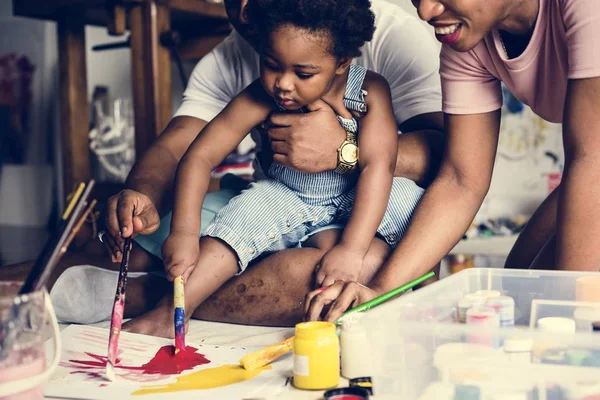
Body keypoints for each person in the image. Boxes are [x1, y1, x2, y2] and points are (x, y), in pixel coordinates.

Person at [28, 0, 444, 329]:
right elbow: (196, 153)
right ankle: (172, 310)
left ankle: (149, 293)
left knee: (405, 231)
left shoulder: (369, 87)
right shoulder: (259, 89)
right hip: (288, 196)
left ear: (343, 61)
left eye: (303, 73)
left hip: (360, 194)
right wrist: (186, 233)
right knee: (236, 225)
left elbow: (379, 166)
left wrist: (351, 244)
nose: (283, 83)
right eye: (272, 65)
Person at [305, 0, 600, 323]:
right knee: (517, 298)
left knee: (562, 312)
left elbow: (591, 157)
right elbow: (461, 180)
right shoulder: (468, 43)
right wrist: (380, 290)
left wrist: (577, 321)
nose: (426, 12)